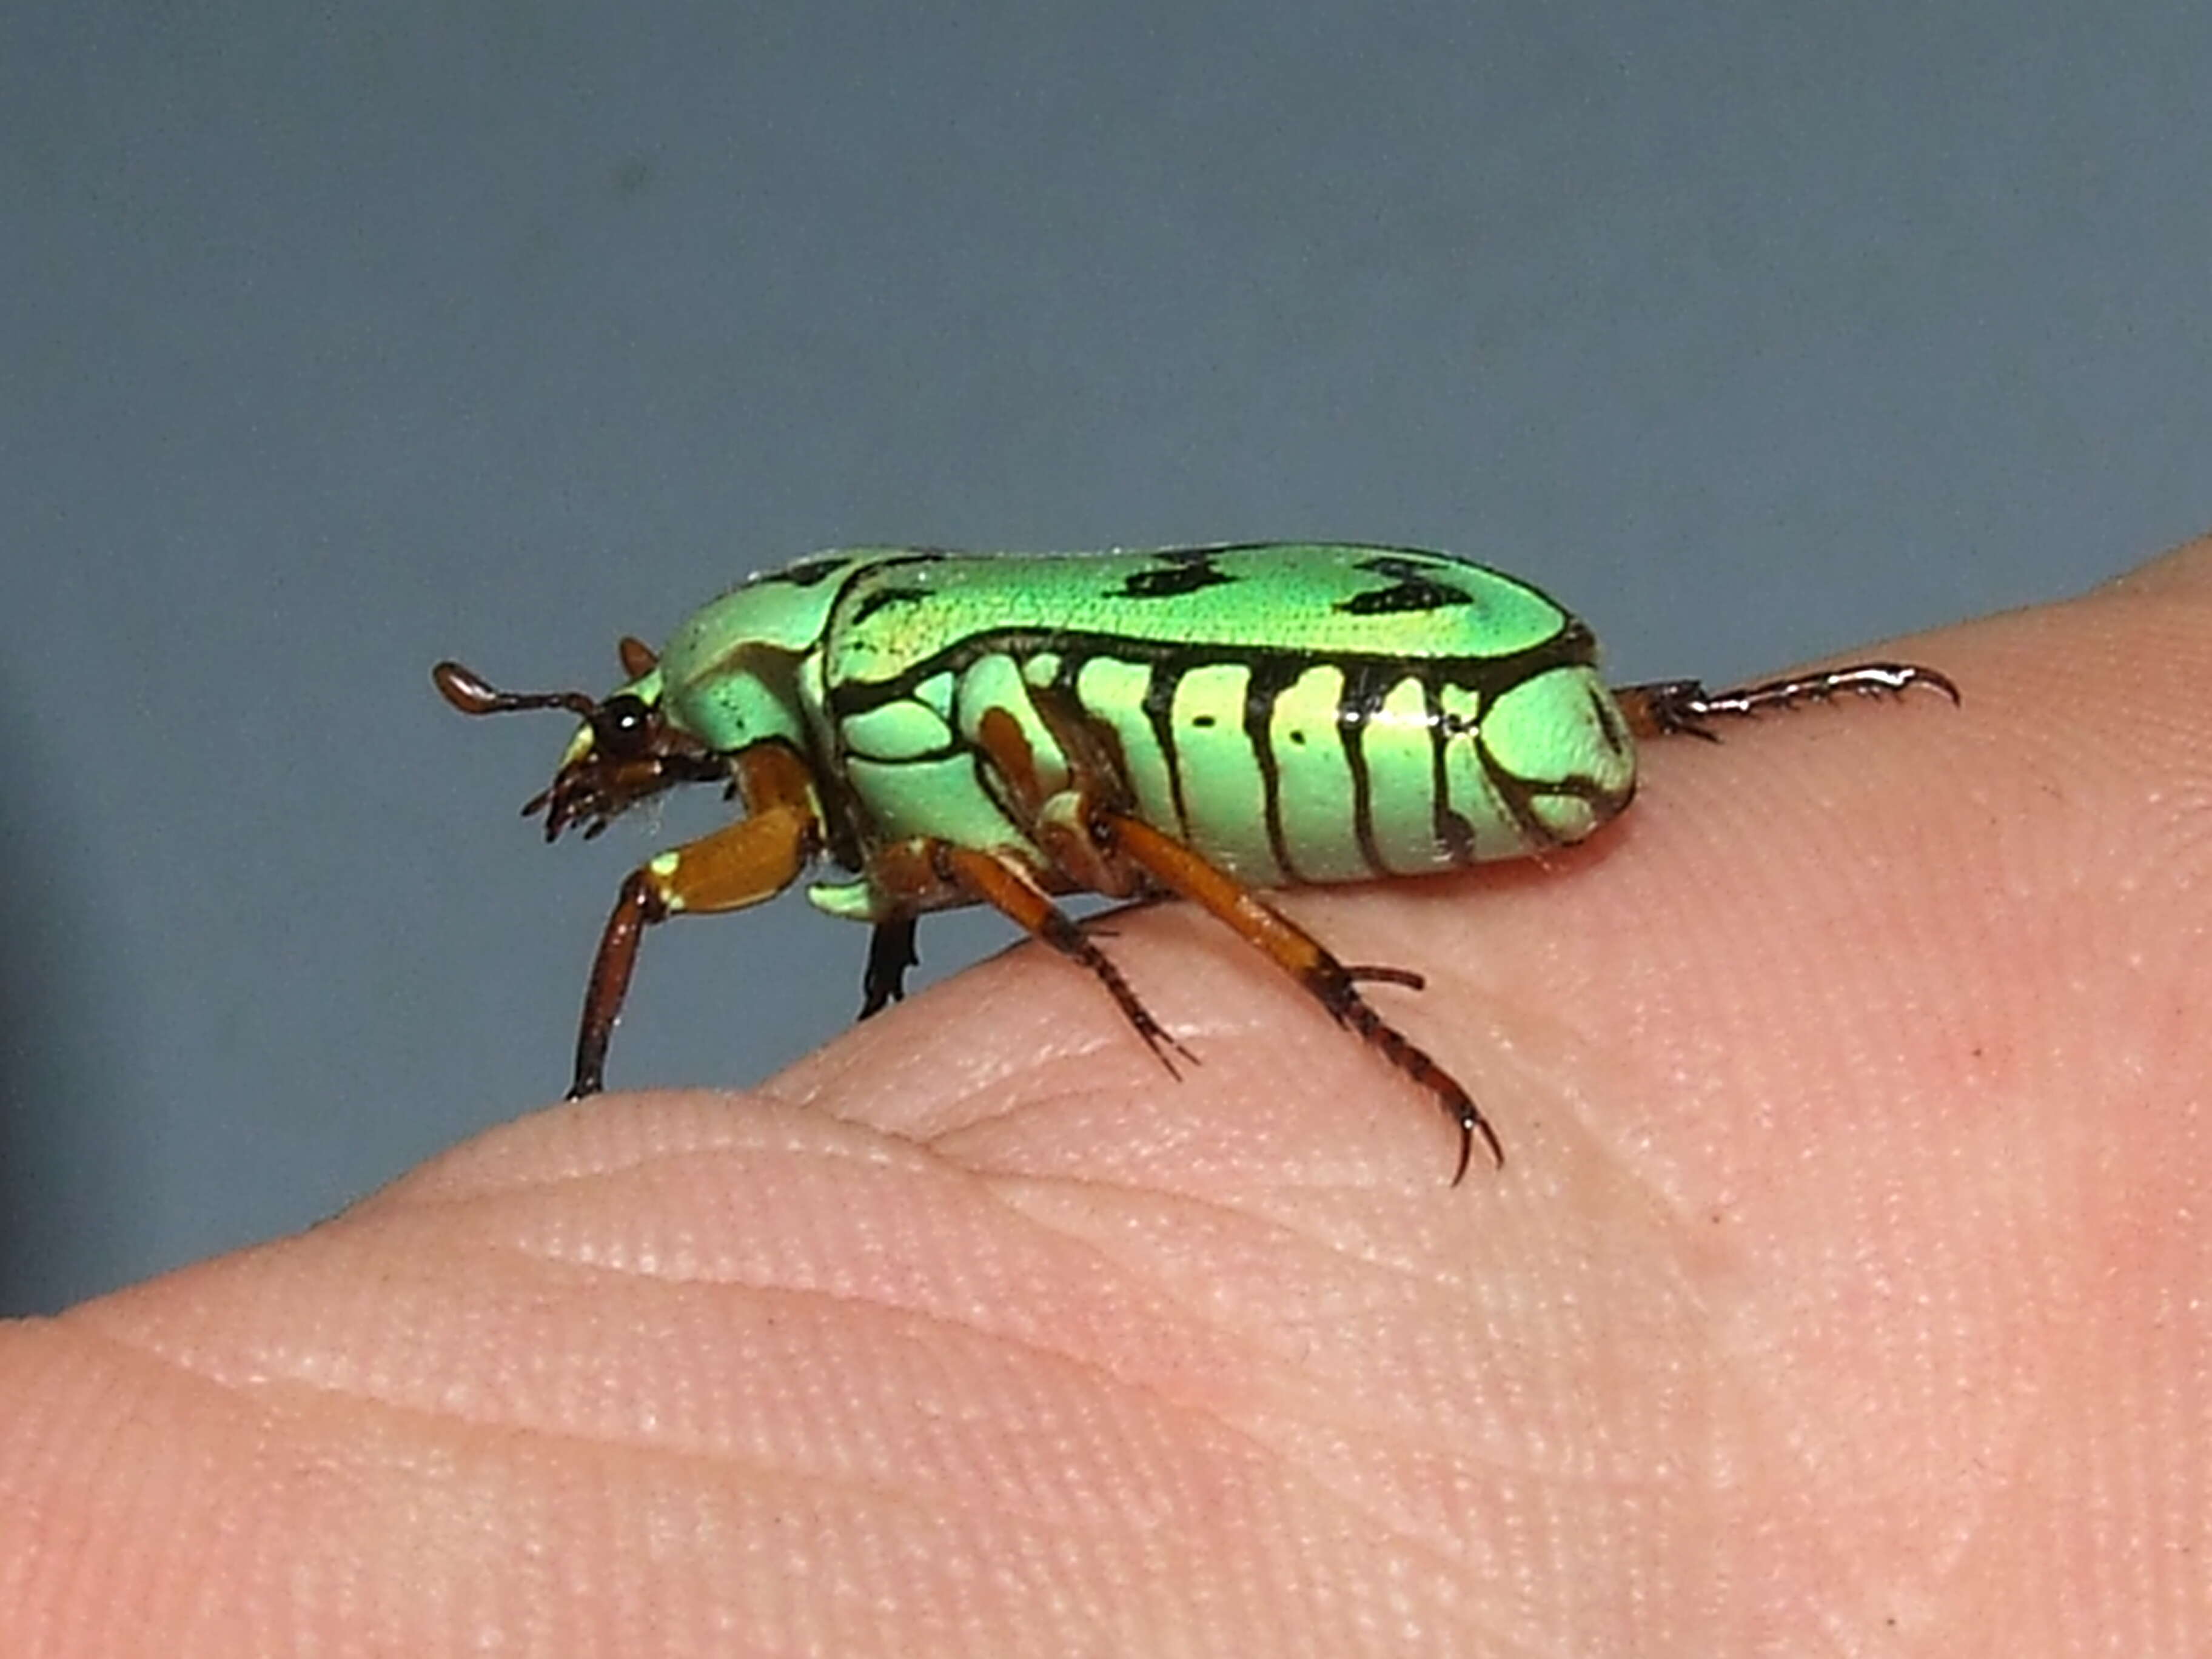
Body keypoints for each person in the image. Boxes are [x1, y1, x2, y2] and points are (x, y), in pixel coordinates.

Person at [4, 541, 2206, 1655]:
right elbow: (910, 876)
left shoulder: (886, 710)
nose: (646, 777)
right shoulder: (856, 769)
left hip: (1427, 695)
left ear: (736, 704)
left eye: (648, 732)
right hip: (1433, 674)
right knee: (1053, 851)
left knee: (1113, 833)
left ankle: (1355, 982)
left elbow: (997, 850)